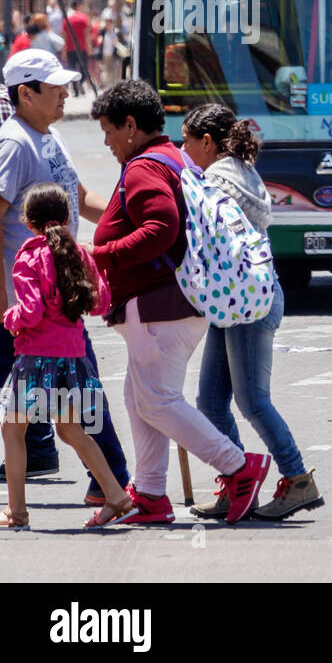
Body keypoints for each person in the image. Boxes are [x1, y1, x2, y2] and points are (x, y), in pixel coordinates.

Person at [90, 80, 271, 524]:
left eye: (110, 131)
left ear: (131, 126)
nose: (107, 142)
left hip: (159, 308)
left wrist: (102, 254)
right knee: (140, 398)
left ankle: (238, 467)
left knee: (157, 400)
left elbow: (162, 226)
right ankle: (151, 494)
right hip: (168, 306)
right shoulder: (173, 157)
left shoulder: (142, 168)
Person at [0, 49, 130, 504]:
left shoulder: (51, 137)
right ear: (25, 93)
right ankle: (111, 482)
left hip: (55, 300)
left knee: (77, 394)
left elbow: (81, 197)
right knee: (75, 395)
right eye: (53, 87)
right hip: (25, 302)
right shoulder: (15, 144)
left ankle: (107, 481)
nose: (64, 93)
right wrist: (6, 303)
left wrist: (130, 223)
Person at [181, 103, 323, 520]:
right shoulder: (241, 170)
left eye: (187, 141)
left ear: (206, 142)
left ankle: (298, 480)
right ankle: (236, 480)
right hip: (240, 298)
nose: (182, 149)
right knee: (210, 401)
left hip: (246, 301)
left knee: (253, 401)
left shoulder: (215, 181)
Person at [1, 184, 132, 528]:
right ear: (68, 216)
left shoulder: (29, 257)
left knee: (13, 430)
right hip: (74, 359)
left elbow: (29, 312)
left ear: (28, 222)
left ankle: (17, 512)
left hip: (36, 359)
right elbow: (101, 302)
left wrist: (9, 318)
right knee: (72, 431)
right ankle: (117, 496)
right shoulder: (78, 254)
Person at [62, 0, 94, 96]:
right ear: (78, 6)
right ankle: (81, 82)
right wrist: (89, 47)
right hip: (82, 48)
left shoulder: (67, 19)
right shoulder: (83, 18)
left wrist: (64, 51)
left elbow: (64, 35)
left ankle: (75, 89)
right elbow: (86, 34)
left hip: (70, 48)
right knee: (84, 68)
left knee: (72, 68)